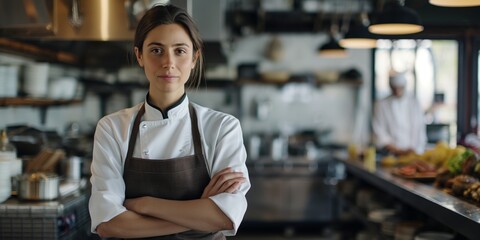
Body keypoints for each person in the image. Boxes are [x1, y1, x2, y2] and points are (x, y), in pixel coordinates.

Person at [88, 4, 250, 239]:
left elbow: (226, 217)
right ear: (139, 56)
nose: (168, 62)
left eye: (180, 50)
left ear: (195, 57)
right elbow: (109, 224)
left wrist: (145, 205)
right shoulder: (112, 128)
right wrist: (199, 213)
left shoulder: (222, 128)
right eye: (156, 50)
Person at [372, 71, 427, 155]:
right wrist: (396, 150)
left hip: (414, 153)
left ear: (404, 86)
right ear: (390, 87)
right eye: (395, 88)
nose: (397, 91)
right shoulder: (381, 105)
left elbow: (420, 129)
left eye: (400, 88)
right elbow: (379, 131)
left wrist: (415, 150)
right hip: (391, 154)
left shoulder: (414, 103)